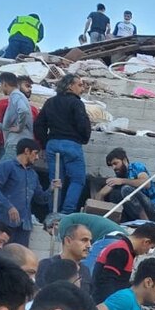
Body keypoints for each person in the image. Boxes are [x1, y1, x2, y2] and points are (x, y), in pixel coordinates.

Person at [36, 74, 92, 214]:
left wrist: (44, 143)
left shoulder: (50, 102)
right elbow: (82, 124)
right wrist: (83, 138)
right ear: (69, 86)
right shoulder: (76, 103)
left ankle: (52, 213)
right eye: (79, 85)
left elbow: (38, 124)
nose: (82, 88)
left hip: (53, 144)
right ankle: (66, 213)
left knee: (55, 181)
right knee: (77, 180)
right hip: (71, 144)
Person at [0, 139, 56, 248]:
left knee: (19, 259)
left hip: (24, 225)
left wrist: (51, 189)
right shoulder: (7, 166)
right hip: (4, 221)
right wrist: (9, 207)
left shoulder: (33, 174)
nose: (37, 157)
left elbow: (40, 198)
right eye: (35, 153)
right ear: (27, 151)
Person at [89, 222, 155, 302]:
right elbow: (107, 282)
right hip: (105, 303)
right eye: (150, 247)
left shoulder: (126, 250)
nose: (147, 252)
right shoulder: (120, 251)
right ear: (146, 242)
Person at [97, 148, 155, 223]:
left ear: (124, 160)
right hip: (135, 214)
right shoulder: (119, 177)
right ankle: (121, 222)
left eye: (115, 163)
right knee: (114, 194)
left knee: (126, 189)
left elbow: (146, 184)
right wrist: (100, 213)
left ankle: (145, 223)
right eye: (111, 165)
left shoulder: (136, 167)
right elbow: (100, 194)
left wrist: (122, 181)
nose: (114, 168)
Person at [0, 71, 37, 159]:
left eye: (30, 87)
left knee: (3, 171)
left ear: (4, 84)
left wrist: (20, 127)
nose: (29, 89)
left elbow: (23, 112)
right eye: (27, 85)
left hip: (15, 144)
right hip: (22, 146)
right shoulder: (5, 103)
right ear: (18, 85)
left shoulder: (17, 98)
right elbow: (7, 125)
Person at [37, 223, 93, 287]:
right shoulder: (47, 265)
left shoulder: (85, 271)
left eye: (90, 241)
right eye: (84, 240)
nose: (89, 245)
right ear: (68, 241)